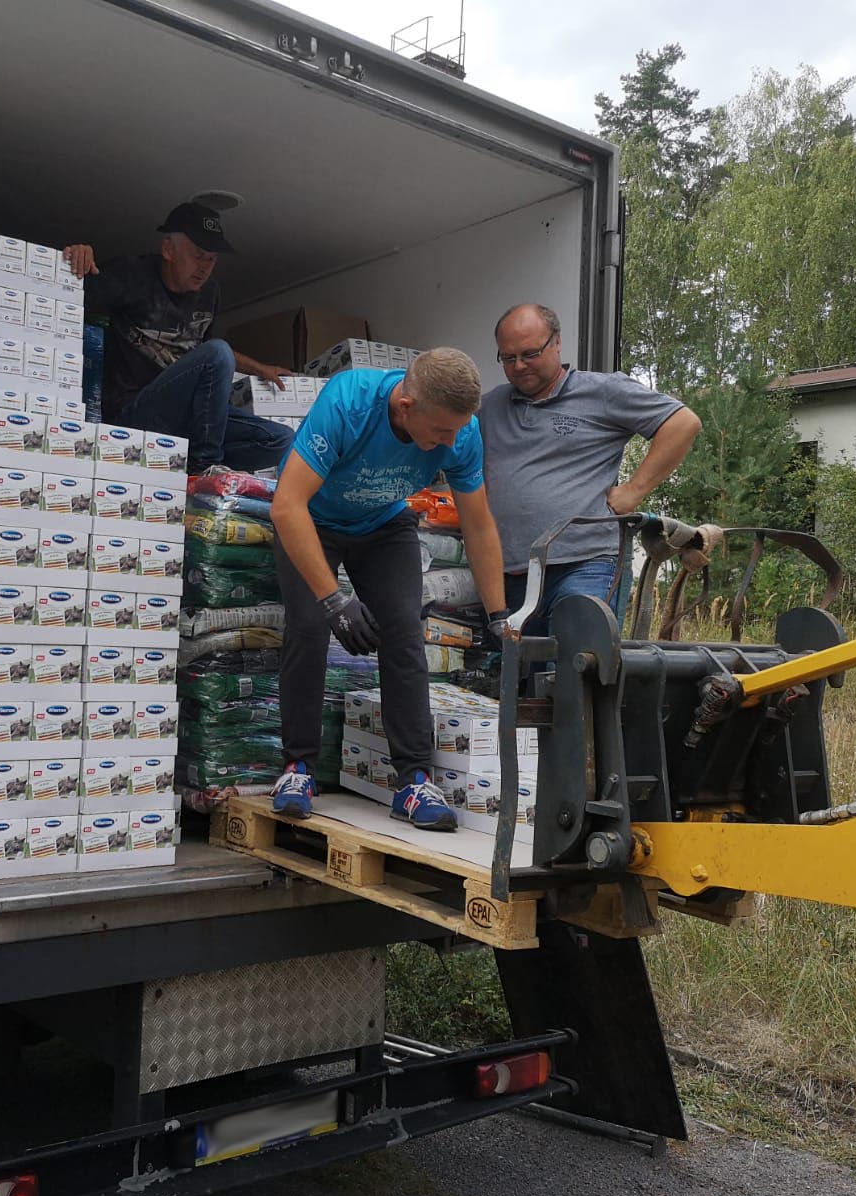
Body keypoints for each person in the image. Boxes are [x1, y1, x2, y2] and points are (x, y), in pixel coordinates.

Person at [268, 348, 508, 832]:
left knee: (404, 629)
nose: (451, 442)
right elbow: (286, 506)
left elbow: (479, 525)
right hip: (312, 519)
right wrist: (334, 600)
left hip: (383, 524)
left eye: (459, 429)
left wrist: (500, 616)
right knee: (310, 626)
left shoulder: (461, 432)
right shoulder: (349, 403)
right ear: (406, 407)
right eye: (441, 431)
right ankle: (298, 767)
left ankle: (414, 781)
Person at [479, 303, 702, 638]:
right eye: (508, 358)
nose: (519, 366)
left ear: (557, 342)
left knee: (576, 661)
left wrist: (634, 490)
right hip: (512, 575)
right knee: (520, 670)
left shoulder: (602, 391)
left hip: (586, 564)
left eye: (529, 354)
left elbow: (683, 423)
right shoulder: (491, 406)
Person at [63, 202, 294, 473]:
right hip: (134, 414)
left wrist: (260, 369)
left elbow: (206, 350)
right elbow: (66, 295)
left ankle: (186, 464)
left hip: (187, 419)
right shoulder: (131, 275)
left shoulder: (210, 293)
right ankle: (203, 468)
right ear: (168, 250)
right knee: (218, 353)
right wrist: (78, 257)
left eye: (212, 259)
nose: (204, 268)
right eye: (198, 256)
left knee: (281, 440)